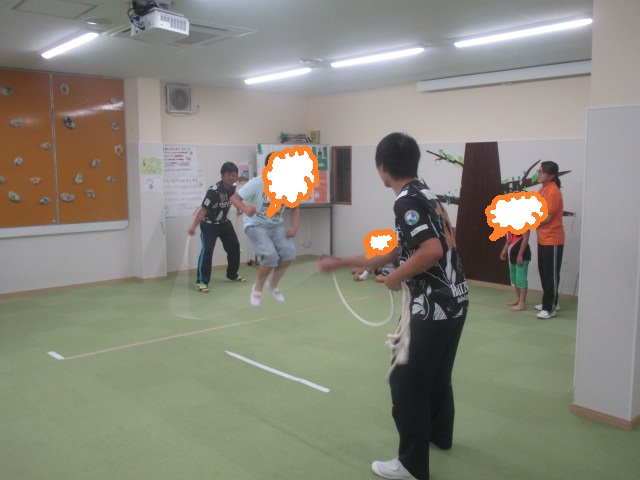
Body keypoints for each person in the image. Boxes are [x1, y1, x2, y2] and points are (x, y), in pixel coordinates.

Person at [317, 132, 468, 480]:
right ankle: (439, 435)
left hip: (431, 305)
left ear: (382, 167)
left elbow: (431, 250)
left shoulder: (405, 202)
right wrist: (350, 262)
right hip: (455, 299)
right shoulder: (426, 194)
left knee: (406, 380)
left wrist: (396, 277)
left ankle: (411, 466)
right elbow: (410, 247)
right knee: (437, 375)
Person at [230, 153, 300, 307]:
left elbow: (295, 208)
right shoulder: (257, 183)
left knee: (289, 252)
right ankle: (257, 288)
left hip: (276, 226)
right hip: (256, 225)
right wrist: (245, 208)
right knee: (270, 255)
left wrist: (294, 227)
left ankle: (273, 284)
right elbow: (234, 198)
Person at [188, 162, 246, 293]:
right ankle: (201, 282)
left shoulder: (233, 187)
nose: (231, 177)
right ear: (222, 176)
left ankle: (232, 275)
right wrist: (194, 226)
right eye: (228, 175)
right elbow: (203, 210)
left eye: (234, 175)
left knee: (234, 247)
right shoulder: (213, 191)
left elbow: (234, 199)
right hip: (208, 224)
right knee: (207, 250)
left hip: (224, 223)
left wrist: (239, 208)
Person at [535, 161, 564, 319]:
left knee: (551, 274)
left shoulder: (553, 191)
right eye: (539, 171)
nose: (539, 174)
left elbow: (546, 218)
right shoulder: (542, 190)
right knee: (544, 272)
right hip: (542, 238)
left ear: (551, 175)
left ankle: (549, 307)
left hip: (553, 239)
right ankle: (551, 301)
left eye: (542, 172)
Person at [499, 230, 531, 311]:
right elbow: (510, 239)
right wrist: (504, 250)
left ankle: (522, 303)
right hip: (513, 254)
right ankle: (518, 299)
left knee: (521, 279)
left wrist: (520, 255)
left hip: (522, 255)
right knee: (515, 278)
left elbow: (525, 239)